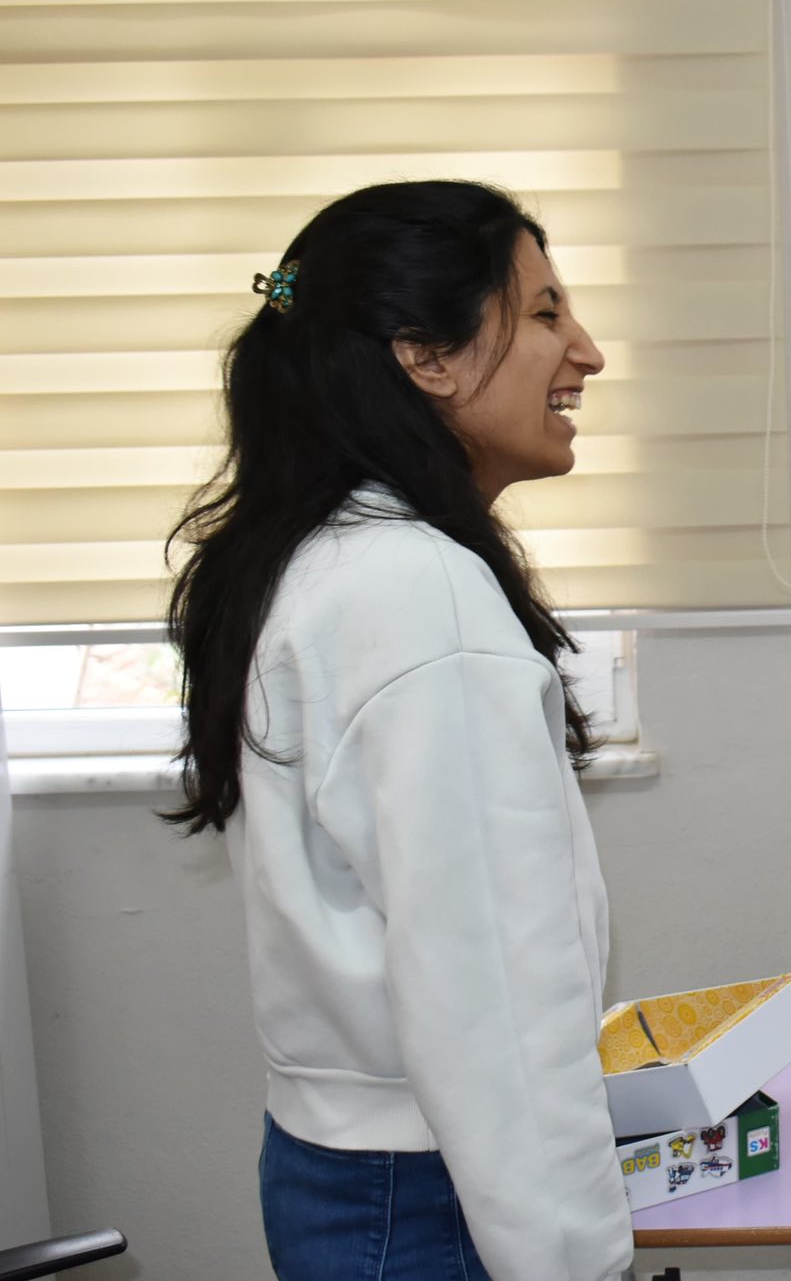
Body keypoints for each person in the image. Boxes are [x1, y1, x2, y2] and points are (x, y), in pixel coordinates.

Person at [164, 181, 633, 1281]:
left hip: (351, 1168)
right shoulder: (420, 595)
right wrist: (580, 1259)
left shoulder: (328, 558)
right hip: (433, 1191)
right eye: (547, 312)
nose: (589, 351)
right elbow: (490, 995)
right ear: (425, 356)